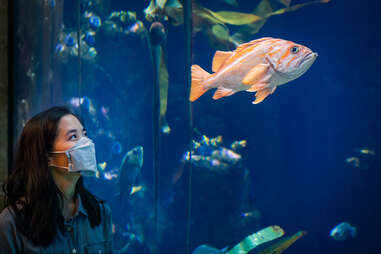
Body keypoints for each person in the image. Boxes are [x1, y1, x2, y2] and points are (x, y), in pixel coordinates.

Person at [0, 106, 113, 253]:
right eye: (73, 137)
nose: (86, 143)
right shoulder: (11, 224)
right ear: (46, 155)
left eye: (84, 135)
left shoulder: (101, 212)